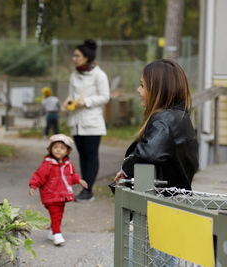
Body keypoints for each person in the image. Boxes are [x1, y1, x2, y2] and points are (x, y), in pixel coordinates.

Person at [114, 59, 199, 267]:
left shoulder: (163, 120)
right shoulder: (181, 118)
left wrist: (126, 168)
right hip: (172, 207)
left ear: (158, 88)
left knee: (140, 259)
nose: (138, 90)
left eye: (142, 85)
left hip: (159, 211)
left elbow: (150, 153)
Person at [63, 39, 110, 201]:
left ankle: (88, 191)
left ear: (86, 57)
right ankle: (85, 189)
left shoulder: (99, 75)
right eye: (73, 55)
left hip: (92, 123)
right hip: (76, 122)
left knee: (91, 156)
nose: (74, 58)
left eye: (77, 56)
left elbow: (105, 96)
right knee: (82, 156)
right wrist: (68, 102)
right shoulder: (74, 75)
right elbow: (71, 94)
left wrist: (87, 102)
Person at [29, 134, 88, 246]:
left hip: (62, 195)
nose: (58, 150)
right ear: (50, 149)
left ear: (67, 151)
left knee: (59, 214)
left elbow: (72, 175)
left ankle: (52, 231)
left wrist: (79, 180)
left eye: (62, 148)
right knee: (55, 213)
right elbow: (39, 175)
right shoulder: (48, 164)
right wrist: (33, 185)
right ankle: (57, 234)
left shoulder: (68, 164)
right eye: (55, 147)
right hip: (50, 195)